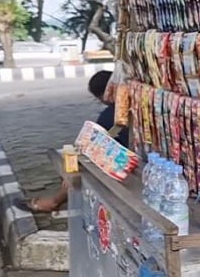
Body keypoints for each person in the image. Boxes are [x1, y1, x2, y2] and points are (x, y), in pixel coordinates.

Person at [16, 70, 129, 213]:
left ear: (105, 94)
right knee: (74, 159)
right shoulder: (126, 107)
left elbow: (92, 146)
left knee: (76, 166)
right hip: (127, 157)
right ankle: (59, 198)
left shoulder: (110, 114)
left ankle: (53, 202)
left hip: (124, 163)